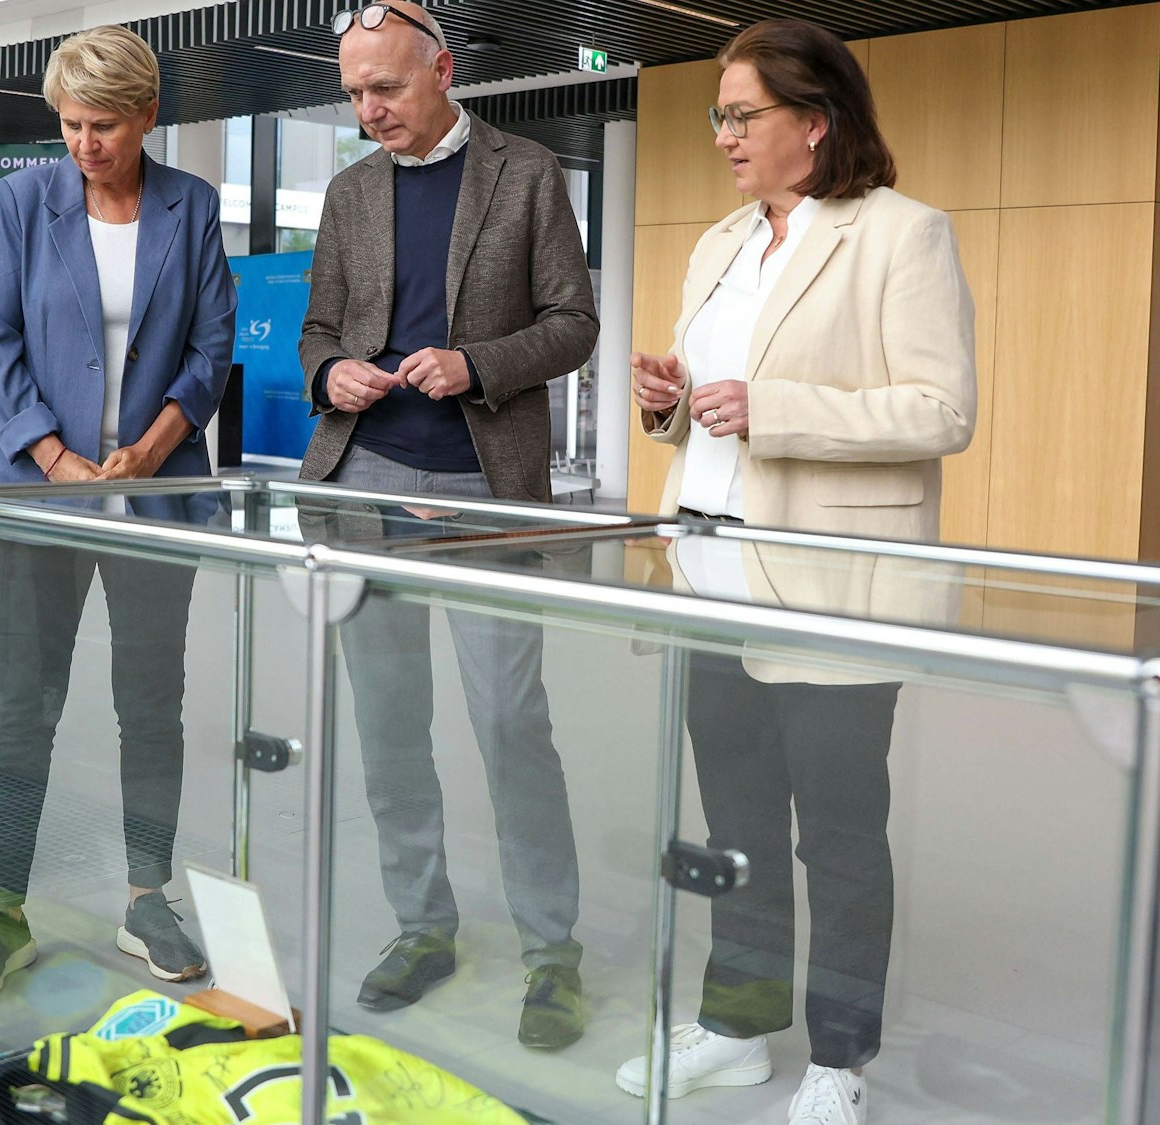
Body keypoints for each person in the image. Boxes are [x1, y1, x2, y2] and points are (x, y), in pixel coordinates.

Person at [619, 20, 977, 1125]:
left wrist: (773, 412)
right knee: (730, 823)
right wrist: (666, 403)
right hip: (707, 572)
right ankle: (736, 1024)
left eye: (743, 115)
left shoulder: (900, 235)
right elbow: (710, 410)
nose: (723, 135)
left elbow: (940, 410)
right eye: (717, 115)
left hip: (834, 591)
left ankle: (839, 1058)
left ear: (812, 124)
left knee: (834, 832)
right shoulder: (719, 241)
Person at [296, 1, 597, 1051]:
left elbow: (572, 323)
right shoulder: (347, 191)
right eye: (352, 93)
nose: (367, 109)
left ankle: (550, 952)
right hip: (364, 480)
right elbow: (317, 331)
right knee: (387, 727)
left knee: (510, 722)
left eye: (383, 87)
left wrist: (477, 365)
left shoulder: (524, 174)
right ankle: (421, 924)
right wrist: (329, 371)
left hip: (482, 486)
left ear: (442, 71)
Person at [0, 24, 234, 995]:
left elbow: (210, 350)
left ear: (147, 116)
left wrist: (149, 450)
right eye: (72, 125)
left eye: (105, 127)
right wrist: (53, 455)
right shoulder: (20, 204)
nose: (86, 145)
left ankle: (145, 897)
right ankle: (1, 909)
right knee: (24, 705)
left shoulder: (190, 207)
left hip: (155, 493)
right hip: (41, 495)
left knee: (149, 701)